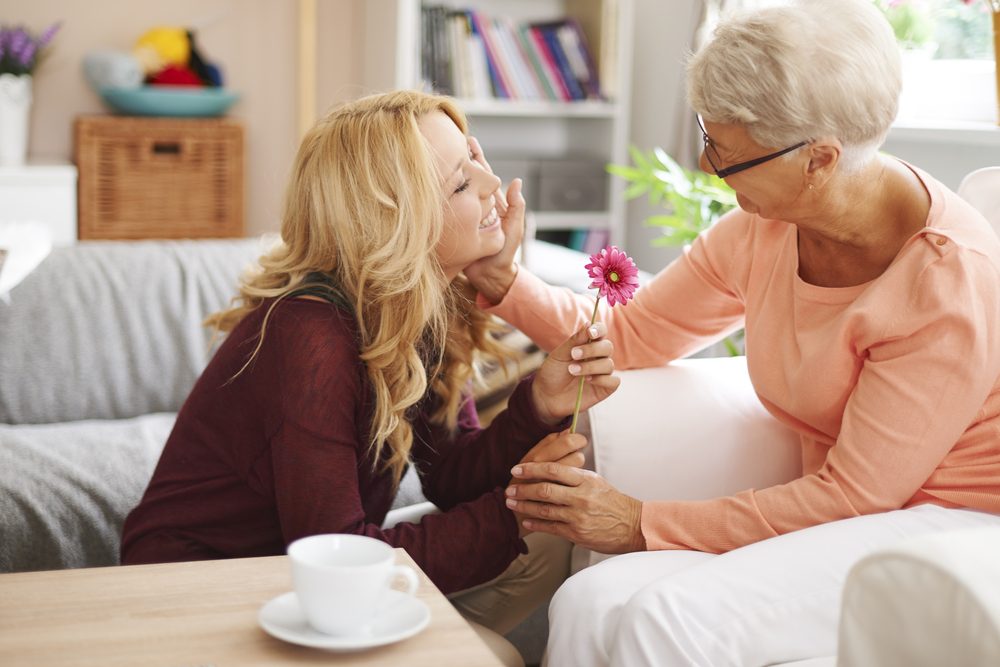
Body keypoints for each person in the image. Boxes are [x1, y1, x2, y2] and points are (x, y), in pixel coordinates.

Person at [465, 1, 1000, 665]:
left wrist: (639, 521)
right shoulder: (767, 226)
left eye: (727, 150)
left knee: (666, 619)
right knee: (588, 600)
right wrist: (503, 281)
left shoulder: (944, 281)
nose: (705, 160)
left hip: (948, 533)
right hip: (848, 511)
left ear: (819, 159)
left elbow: (856, 495)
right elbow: (629, 336)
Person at [120, 90, 621, 665]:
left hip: (310, 578)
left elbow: (451, 476)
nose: (491, 185)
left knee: (551, 539)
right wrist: (514, 510)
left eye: (476, 159)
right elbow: (340, 552)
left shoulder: (417, 304)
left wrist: (537, 405)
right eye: (461, 183)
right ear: (396, 224)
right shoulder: (310, 334)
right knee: (495, 654)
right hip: (205, 593)